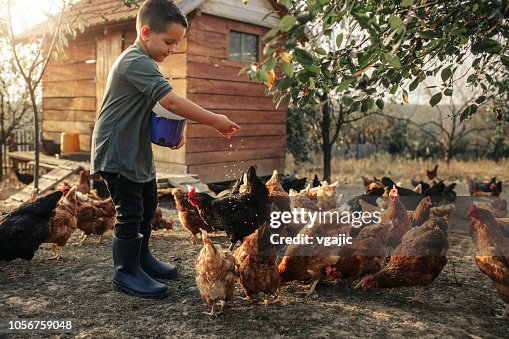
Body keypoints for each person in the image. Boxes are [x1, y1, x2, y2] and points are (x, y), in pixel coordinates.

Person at [90, 0, 240, 299]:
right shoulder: (135, 61)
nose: (172, 49)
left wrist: (168, 133)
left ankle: (141, 260)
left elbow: (150, 108)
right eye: (169, 41)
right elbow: (170, 101)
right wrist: (214, 120)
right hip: (117, 152)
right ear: (146, 31)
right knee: (130, 213)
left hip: (135, 152)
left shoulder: (143, 63)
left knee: (146, 207)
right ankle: (125, 273)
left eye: (176, 43)